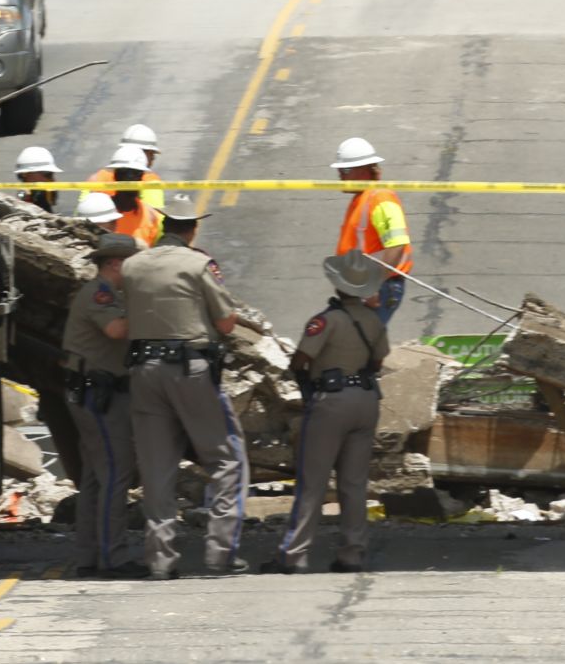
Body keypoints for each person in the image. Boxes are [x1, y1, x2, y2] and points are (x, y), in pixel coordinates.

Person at [122, 199, 250, 579]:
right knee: (226, 460)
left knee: (157, 469)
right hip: (189, 371)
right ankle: (220, 555)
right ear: (192, 227)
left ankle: (161, 561)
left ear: (164, 226)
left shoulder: (132, 265)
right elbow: (226, 322)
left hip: (144, 371)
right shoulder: (198, 264)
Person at [264, 249, 392, 575]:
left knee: (313, 481)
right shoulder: (374, 321)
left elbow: (300, 360)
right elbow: (378, 362)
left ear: (338, 286)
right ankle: (353, 553)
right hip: (365, 400)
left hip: (332, 402)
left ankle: (294, 554)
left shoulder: (326, 320)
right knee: (354, 482)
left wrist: (311, 381)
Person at [61, 233, 144, 579]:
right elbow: (115, 329)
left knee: (96, 476)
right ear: (115, 263)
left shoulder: (113, 294)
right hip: (99, 395)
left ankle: (88, 555)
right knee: (115, 473)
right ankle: (113, 556)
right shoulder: (100, 294)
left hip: (94, 392)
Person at [330, 137, 412, 325]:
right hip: (361, 288)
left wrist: (374, 285)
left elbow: (397, 244)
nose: (340, 175)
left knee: (358, 346)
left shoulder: (380, 197)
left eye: (346, 170)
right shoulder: (363, 199)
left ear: (366, 170)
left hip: (380, 288)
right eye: (340, 170)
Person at [91, 143, 163, 245]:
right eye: (125, 173)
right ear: (116, 176)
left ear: (142, 176)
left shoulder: (152, 217)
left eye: (136, 173)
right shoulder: (99, 214)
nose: (130, 178)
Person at [15, 145, 64, 212]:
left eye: (51, 174)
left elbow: (52, 203)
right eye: (47, 173)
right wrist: (24, 199)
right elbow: (20, 199)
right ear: (26, 174)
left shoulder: (49, 187)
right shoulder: (23, 192)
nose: (51, 179)